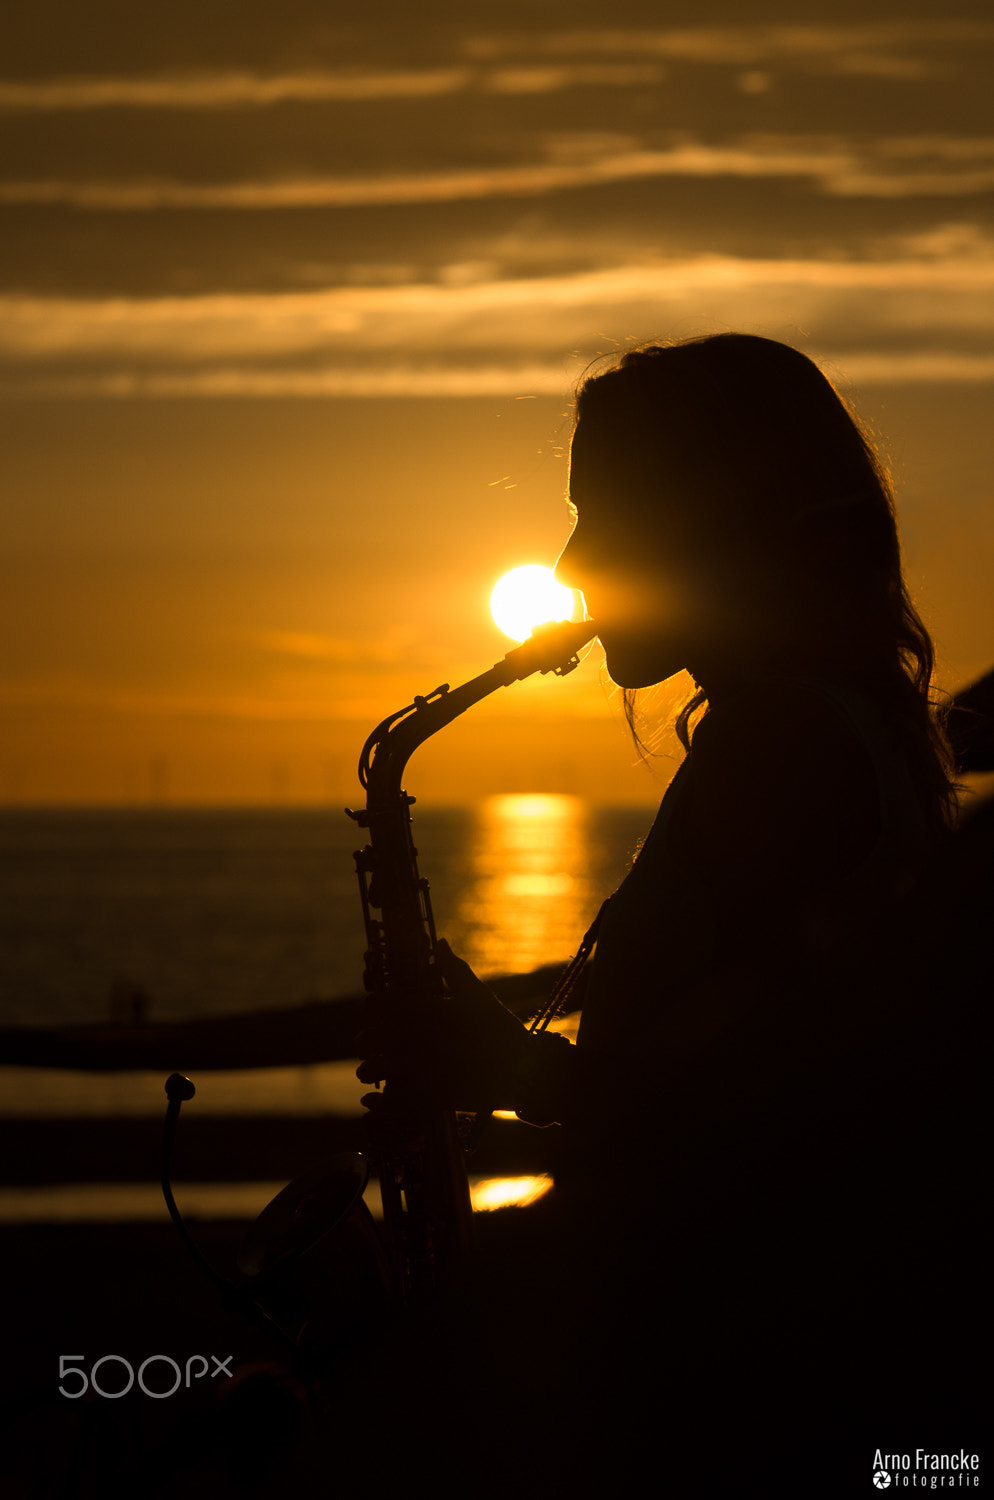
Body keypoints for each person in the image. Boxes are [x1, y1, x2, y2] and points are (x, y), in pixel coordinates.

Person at [360, 335, 970, 1492]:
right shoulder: (822, 722)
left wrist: (503, 1065)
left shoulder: (785, 741)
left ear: (722, 519)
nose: (574, 561)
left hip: (761, 1405)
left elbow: (731, 1135)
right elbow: (769, 1082)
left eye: (605, 513)